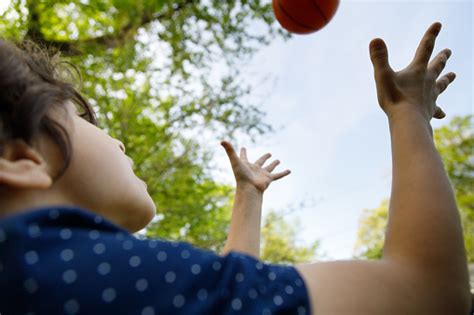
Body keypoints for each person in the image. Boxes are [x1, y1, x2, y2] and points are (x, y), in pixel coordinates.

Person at [0, 21, 471, 314]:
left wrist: (249, 196)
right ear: (22, 161)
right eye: (82, 117)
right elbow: (427, 291)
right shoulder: (91, 276)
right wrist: (408, 113)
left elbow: (222, 295)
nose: (117, 139)